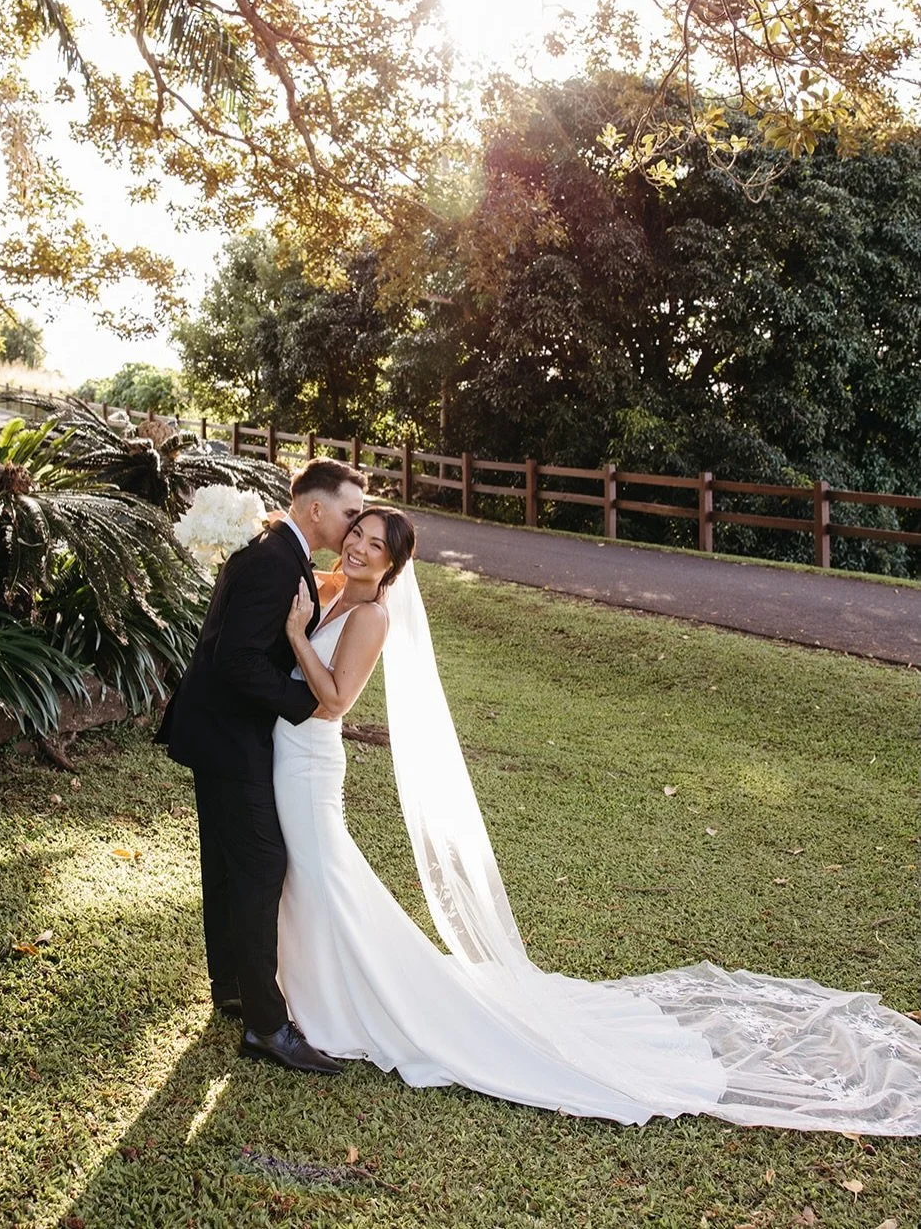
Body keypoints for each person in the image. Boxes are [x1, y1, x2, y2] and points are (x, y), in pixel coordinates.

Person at [270, 506, 921, 1133]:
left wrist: (299, 636)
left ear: (392, 566)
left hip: (310, 762)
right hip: (289, 756)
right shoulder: (336, 591)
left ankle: (341, 1004)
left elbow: (335, 701)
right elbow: (294, 562)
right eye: (357, 533)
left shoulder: (372, 616)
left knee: (323, 876)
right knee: (315, 878)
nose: (358, 547)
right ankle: (314, 988)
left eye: (375, 546)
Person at [155, 458, 365, 1073]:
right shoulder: (276, 559)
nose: (355, 527)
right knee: (260, 864)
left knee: (226, 858)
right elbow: (237, 660)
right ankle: (267, 1027)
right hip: (230, 736)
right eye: (351, 513)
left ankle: (231, 986)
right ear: (317, 508)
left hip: (219, 730)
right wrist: (304, 703)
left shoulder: (281, 549)